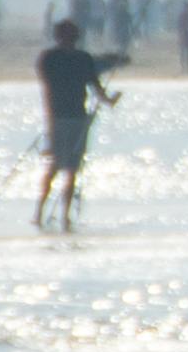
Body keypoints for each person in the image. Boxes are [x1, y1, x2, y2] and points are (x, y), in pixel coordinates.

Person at [32, 15, 126, 230]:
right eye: (67, 35)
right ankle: (39, 211)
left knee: (73, 168)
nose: (70, 39)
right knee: (55, 166)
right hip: (58, 118)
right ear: (59, 36)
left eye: (72, 35)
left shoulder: (82, 58)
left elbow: (95, 86)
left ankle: (65, 215)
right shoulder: (51, 58)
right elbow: (49, 82)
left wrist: (109, 100)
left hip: (77, 118)